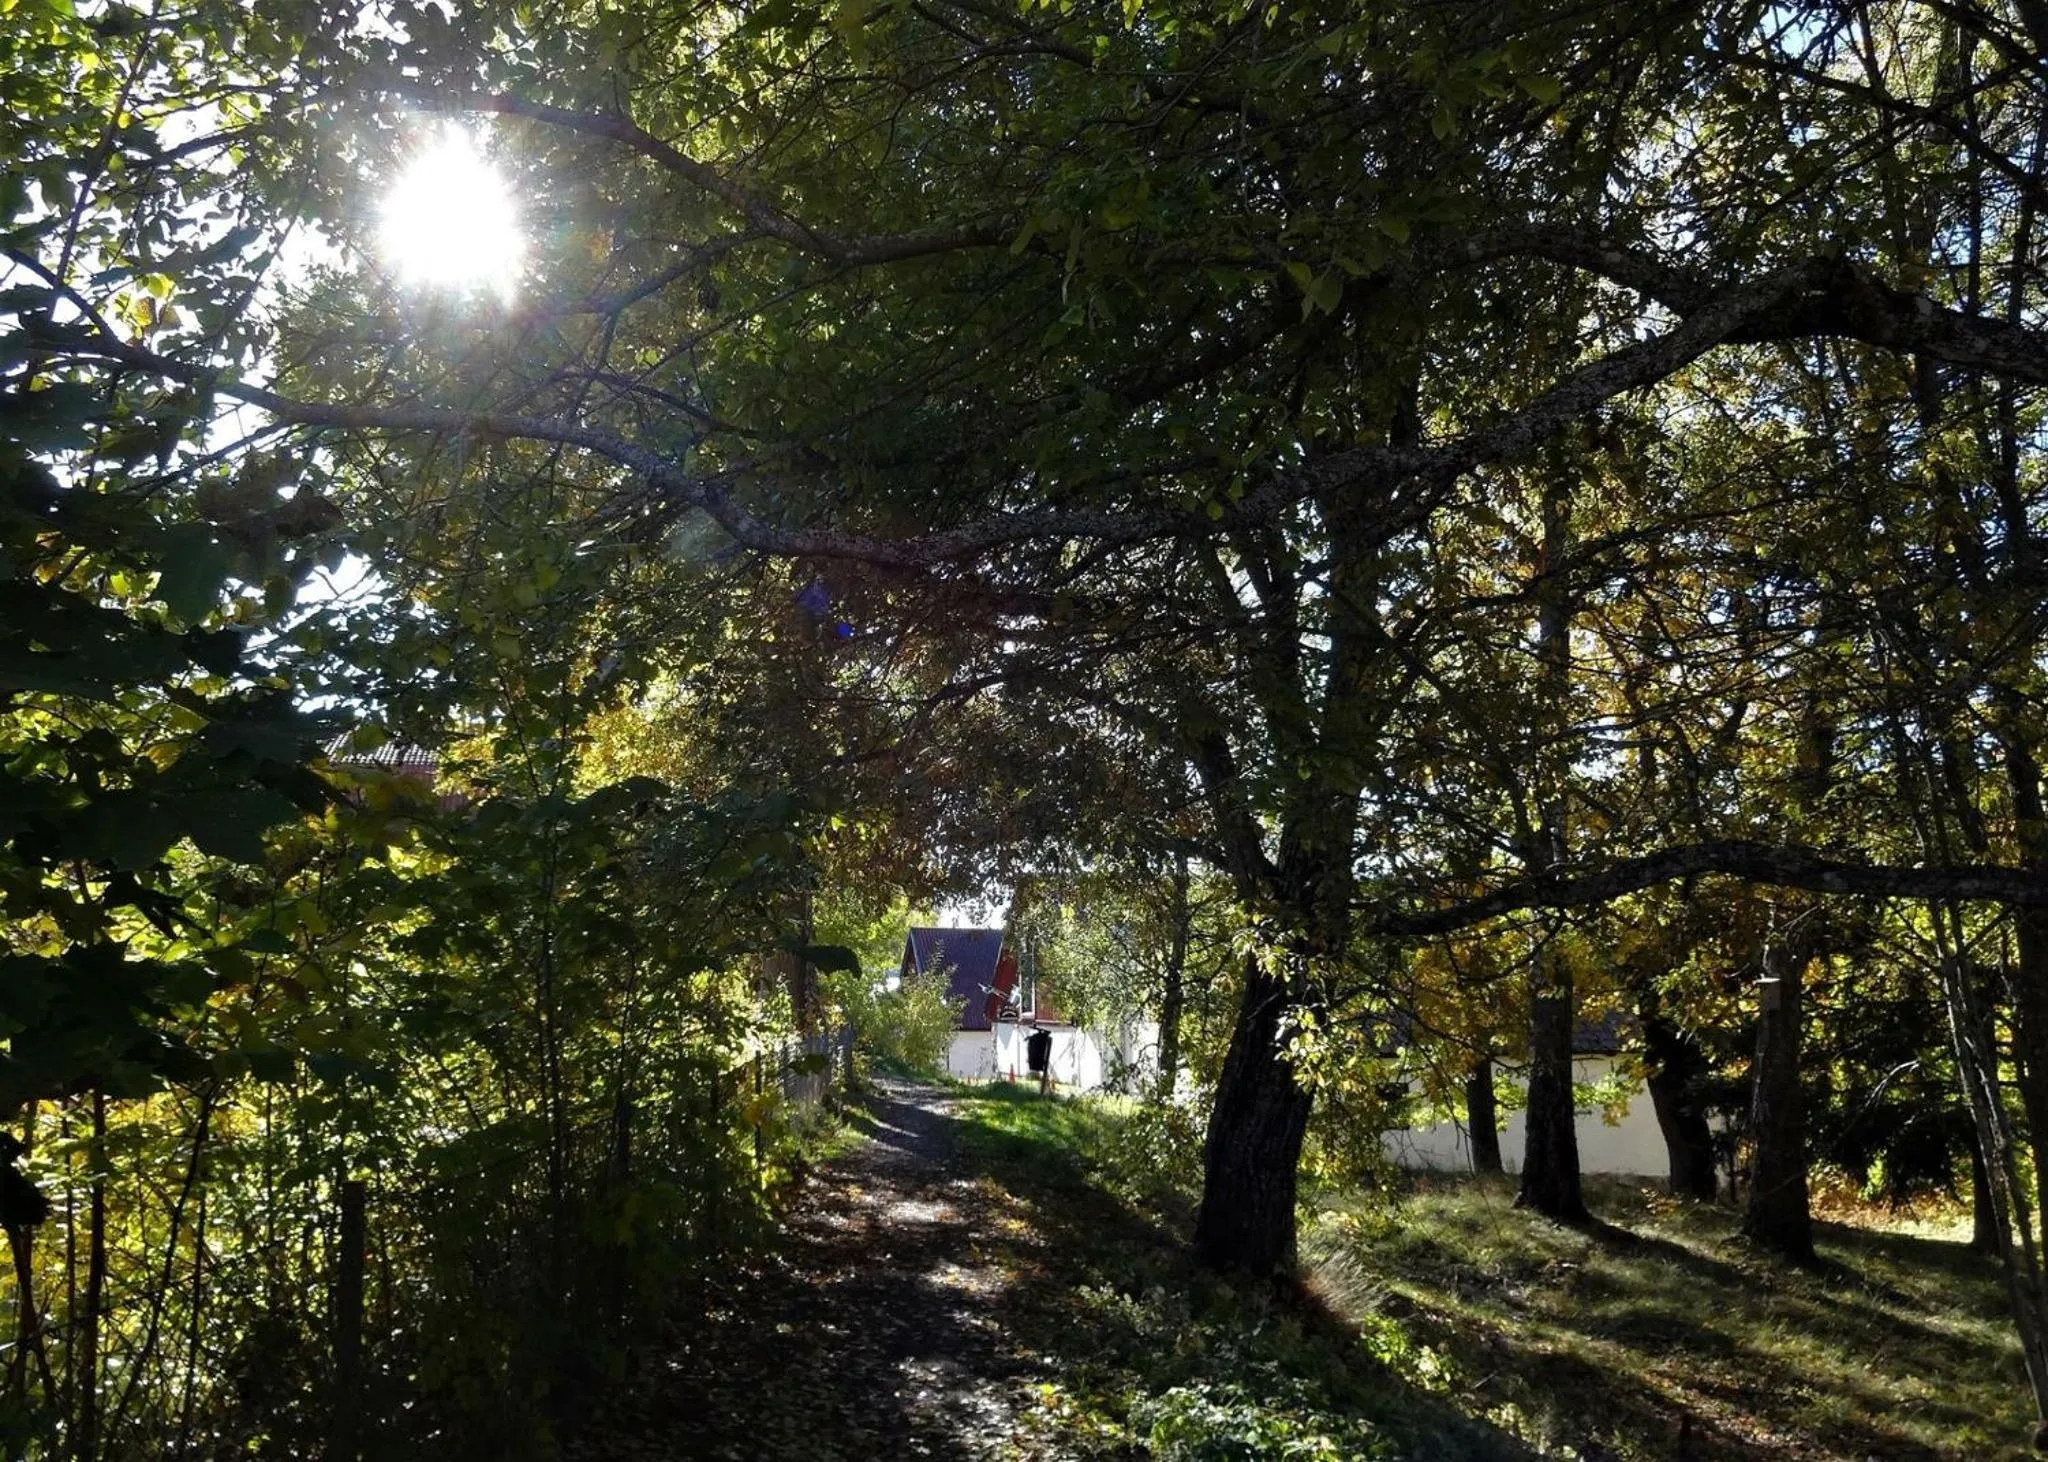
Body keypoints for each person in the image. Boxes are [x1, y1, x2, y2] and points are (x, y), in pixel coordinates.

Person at [1025, 1025, 1054, 1097]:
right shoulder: (1036, 1039)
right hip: (1038, 1061)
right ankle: (1045, 1090)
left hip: (1037, 1061)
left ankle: (1046, 1090)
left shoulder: (1034, 1039)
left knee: (1040, 1068)